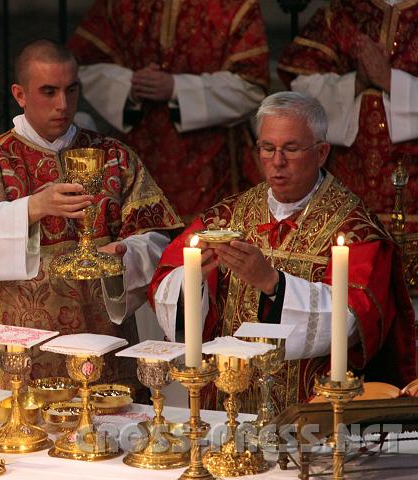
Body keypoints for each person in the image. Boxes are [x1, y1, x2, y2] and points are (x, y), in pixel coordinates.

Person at [148, 92, 416, 412]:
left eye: (291, 148)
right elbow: (164, 281)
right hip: (230, 403)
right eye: (268, 148)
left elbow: (354, 320)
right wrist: (194, 277)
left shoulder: (354, 230)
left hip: (313, 412)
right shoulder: (226, 218)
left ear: (321, 152)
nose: (277, 162)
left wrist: (273, 283)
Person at [0, 39, 182, 389]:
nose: (62, 105)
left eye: (71, 91)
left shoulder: (114, 155)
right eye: (48, 91)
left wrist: (128, 254)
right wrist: (33, 207)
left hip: (105, 341)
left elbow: (157, 237)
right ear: (20, 94)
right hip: (26, 351)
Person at [67, 0, 269, 220]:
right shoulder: (120, 4)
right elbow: (84, 62)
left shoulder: (232, 6)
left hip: (213, 160)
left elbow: (252, 84)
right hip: (138, 150)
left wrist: (177, 88)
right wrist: (129, 85)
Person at [277, 1, 418, 270]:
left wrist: (390, 81)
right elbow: (300, 91)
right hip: (349, 185)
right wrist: (357, 82)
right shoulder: (342, 12)